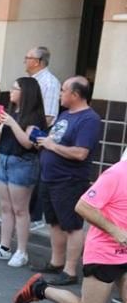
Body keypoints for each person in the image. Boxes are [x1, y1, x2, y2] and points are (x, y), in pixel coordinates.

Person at [14, 160, 127, 303]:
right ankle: (40, 289)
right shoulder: (117, 174)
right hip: (105, 252)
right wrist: (115, 231)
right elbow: (83, 206)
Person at [33, 76, 102, 286]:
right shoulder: (65, 114)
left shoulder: (89, 119)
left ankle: (70, 270)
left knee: (72, 225)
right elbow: (56, 140)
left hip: (69, 180)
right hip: (49, 177)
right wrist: (44, 143)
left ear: (75, 95)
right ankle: (57, 262)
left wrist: (52, 146)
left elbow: (81, 153)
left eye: (63, 90)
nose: (60, 93)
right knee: (54, 222)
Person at [0, 77, 47, 267]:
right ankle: (4, 247)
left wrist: (12, 123)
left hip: (23, 162)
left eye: (15, 88)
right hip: (4, 159)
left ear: (26, 93)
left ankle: (22, 251)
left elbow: (29, 143)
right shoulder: (11, 112)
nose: (11, 91)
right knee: (5, 207)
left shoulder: (34, 117)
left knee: (20, 209)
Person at [24, 45, 60, 125]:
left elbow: (48, 118)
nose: (24, 61)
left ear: (37, 62)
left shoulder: (50, 83)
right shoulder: (28, 80)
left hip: (34, 133)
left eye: (27, 58)